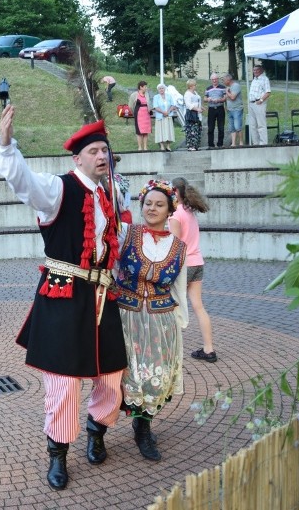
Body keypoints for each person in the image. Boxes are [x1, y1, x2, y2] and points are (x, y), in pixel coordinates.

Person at [0, 105, 127, 491]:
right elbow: (23, 183)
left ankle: (97, 429)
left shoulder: (111, 193)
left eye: (106, 151)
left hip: (103, 292)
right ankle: (58, 454)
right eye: (94, 152)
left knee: (113, 374)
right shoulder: (57, 188)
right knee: (64, 383)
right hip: (65, 293)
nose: (102, 156)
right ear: (77, 158)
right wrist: (6, 143)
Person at [116, 179, 188, 462]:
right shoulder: (126, 234)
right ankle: (97, 431)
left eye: (159, 204)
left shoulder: (179, 248)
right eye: (148, 203)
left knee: (153, 377)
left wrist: (181, 324)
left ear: (170, 209)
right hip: (126, 317)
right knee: (123, 376)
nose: (152, 209)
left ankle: (142, 428)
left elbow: (179, 288)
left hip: (161, 321)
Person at [169, 177, 216, 363]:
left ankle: (170, 350)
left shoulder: (175, 214)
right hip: (197, 262)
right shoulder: (189, 211)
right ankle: (209, 349)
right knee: (198, 306)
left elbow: (175, 245)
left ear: (175, 192)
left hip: (183, 265)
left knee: (171, 307)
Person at [248, 64, 272, 145]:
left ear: (261, 70)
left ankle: (263, 143)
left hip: (259, 104)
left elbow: (268, 92)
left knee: (261, 125)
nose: (254, 71)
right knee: (252, 125)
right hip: (251, 104)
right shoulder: (254, 79)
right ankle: (256, 143)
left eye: (256, 70)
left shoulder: (264, 79)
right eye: (254, 70)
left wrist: (261, 100)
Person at [151, 83, 177, 152]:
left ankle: (168, 146)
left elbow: (173, 105)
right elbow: (156, 107)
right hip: (160, 117)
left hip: (168, 116)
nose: (161, 90)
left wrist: (168, 112)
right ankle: (162, 146)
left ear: (164, 89)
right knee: (160, 131)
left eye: (162, 88)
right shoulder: (156, 97)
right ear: (158, 90)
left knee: (169, 131)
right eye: (160, 88)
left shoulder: (169, 96)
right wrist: (163, 112)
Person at [204, 73, 227, 148]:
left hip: (220, 108)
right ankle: (211, 144)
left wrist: (219, 100)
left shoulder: (223, 87)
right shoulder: (208, 88)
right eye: (213, 79)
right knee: (210, 127)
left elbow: (225, 98)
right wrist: (208, 99)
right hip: (211, 109)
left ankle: (220, 144)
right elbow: (204, 99)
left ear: (218, 79)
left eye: (215, 79)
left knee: (221, 127)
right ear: (211, 80)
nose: (214, 80)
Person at [183, 79, 203, 151]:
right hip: (191, 114)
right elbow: (188, 105)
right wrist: (197, 109)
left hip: (197, 113)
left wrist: (200, 107)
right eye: (194, 85)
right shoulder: (187, 94)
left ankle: (196, 145)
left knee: (197, 129)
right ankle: (191, 145)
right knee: (191, 129)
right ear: (190, 86)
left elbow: (197, 101)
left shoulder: (195, 93)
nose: (195, 86)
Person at [224, 73, 244, 147]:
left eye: (224, 80)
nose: (223, 81)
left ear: (228, 80)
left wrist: (227, 92)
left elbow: (232, 97)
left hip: (237, 109)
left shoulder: (236, 86)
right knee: (232, 128)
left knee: (237, 126)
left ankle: (241, 142)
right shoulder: (228, 87)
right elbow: (227, 98)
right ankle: (233, 143)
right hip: (230, 110)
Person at [133, 81, 151, 151]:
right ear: (141, 87)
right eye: (145, 87)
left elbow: (149, 104)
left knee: (146, 131)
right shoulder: (135, 95)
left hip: (146, 114)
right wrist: (133, 112)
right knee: (139, 131)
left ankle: (145, 147)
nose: (146, 88)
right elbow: (131, 105)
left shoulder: (147, 94)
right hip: (138, 114)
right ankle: (140, 147)